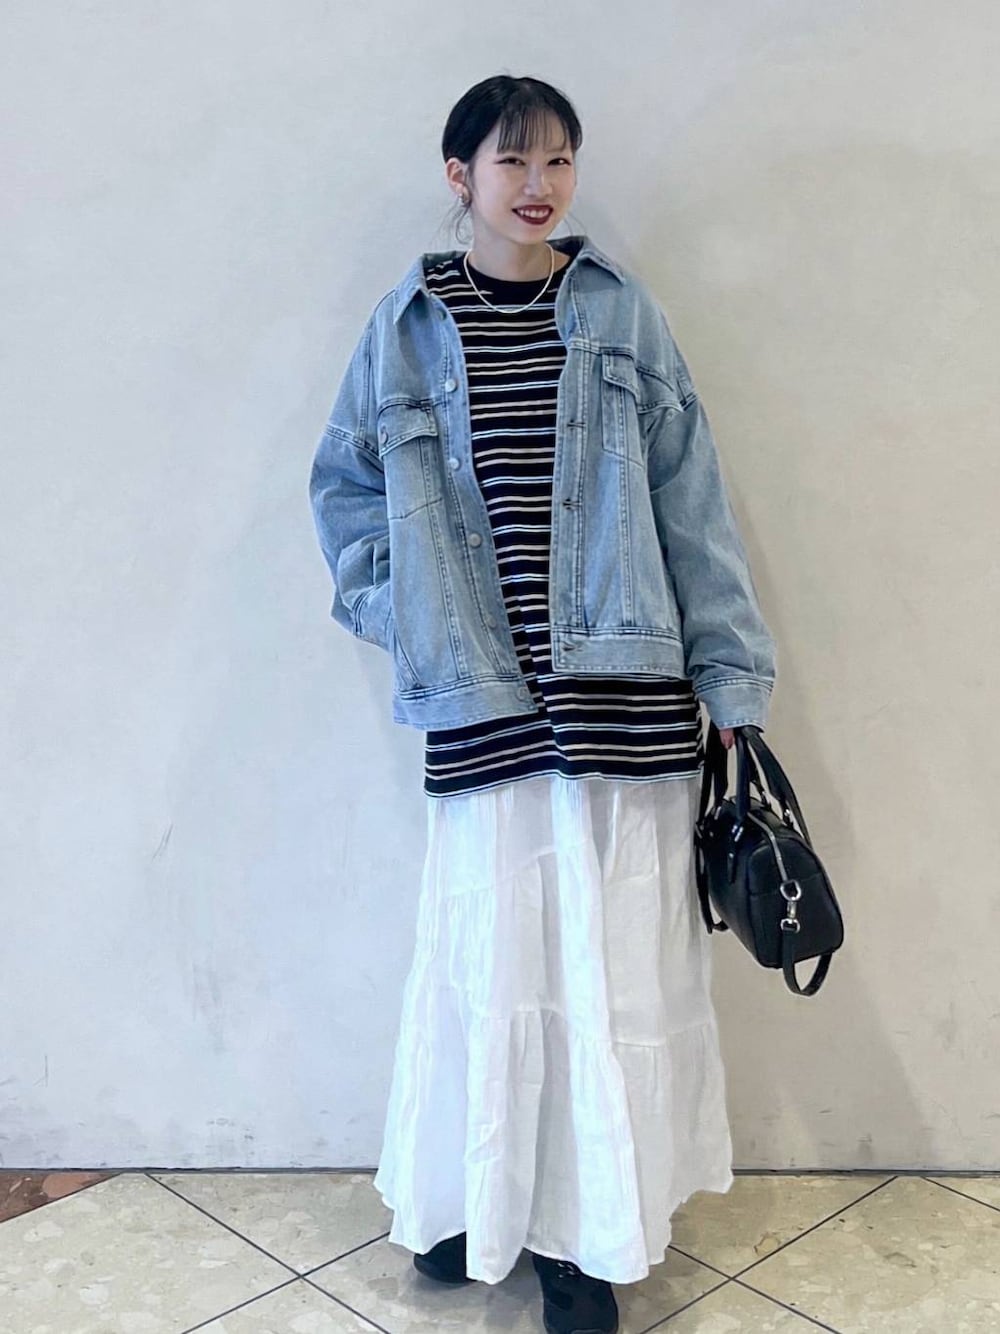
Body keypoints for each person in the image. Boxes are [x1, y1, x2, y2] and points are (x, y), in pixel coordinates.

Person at [309, 74, 776, 1334]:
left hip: (624, 691)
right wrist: (399, 608)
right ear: (457, 174)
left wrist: (731, 676)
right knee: (488, 960)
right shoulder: (404, 328)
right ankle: (479, 1197)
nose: (539, 184)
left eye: (559, 159)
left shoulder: (621, 313)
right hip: (481, 690)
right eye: (513, 159)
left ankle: (580, 1236)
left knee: (604, 974)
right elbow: (343, 490)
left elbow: (689, 497)